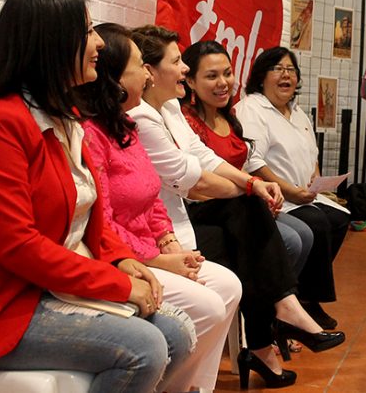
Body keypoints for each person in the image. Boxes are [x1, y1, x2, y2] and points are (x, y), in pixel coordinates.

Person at [0, 0, 192, 393]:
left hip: (49, 287)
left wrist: (121, 260)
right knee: (145, 349)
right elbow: (19, 246)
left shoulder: (63, 116)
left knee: (178, 334)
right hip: (4, 305)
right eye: (87, 32)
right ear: (51, 43)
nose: (98, 43)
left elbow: (87, 217)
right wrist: (118, 284)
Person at [129, 26, 344, 389]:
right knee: (260, 236)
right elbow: (192, 179)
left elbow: (204, 157)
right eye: (179, 62)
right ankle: (274, 324)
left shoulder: (173, 108)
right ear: (149, 71)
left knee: (276, 231)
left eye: (226, 73)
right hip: (171, 227)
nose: (184, 69)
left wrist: (252, 184)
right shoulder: (144, 116)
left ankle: (272, 328)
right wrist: (250, 187)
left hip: (193, 215)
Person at [79, 23, 243, 392]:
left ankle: (193, 386)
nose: (148, 76)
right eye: (140, 67)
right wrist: (155, 259)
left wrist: (168, 240)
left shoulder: (124, 125)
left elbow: (153, 195)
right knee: (208, 306)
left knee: (229, 286)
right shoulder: (91, 133)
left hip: (152, 248)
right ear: (116, 80)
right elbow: (100, 221)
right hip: (123, 257)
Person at [235, 47, 352, 334]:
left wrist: (317, 181)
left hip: (304, 194)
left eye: (291, 70)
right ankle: (299, 300)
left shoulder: (298, 112)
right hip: (276, 197)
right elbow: (253, 162)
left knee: (340, 218)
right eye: (277, 68)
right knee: (317, 223)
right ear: (261, 76)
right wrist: (291, 192)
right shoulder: (252, 108)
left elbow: (312, 154)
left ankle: (306, 296)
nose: (286, 75)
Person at [178, 40, 315, 278]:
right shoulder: (186, 122)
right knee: (292, 240)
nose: (223, 83)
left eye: (227, 73)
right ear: (190, 81)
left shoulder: (229, 116)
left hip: (243, 201)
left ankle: (283, 295)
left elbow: (242, 167)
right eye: (212, 76)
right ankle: (272, 297)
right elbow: (197, 184)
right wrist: (252, 189)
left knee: (306, 232)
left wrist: (257, 192)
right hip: (213, 206)